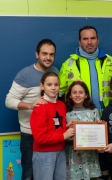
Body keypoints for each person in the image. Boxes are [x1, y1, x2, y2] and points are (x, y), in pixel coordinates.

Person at [59, 26, 112, 179]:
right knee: (81, 164)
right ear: (79, 41)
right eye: (85, 39)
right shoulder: (69, 64)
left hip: (107, 120)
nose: (89, 42)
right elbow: (58, 93)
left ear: (97, 40)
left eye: (92, 38)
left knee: (106, 163)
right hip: (78, 123)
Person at [5, 39, 59, 180]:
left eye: (51, 54)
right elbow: (9, 101)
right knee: (29, 174)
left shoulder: (55, 72)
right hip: (30, 135)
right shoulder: (24, 74)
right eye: (44, 54)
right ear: (37, 54)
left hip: (50, 134)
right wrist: (30, 105)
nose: (48, 58)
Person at [30, 72, 75, 180]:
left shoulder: (61, 105)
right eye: (49, 85)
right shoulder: (40, 106)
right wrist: (63, 136)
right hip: (44, 154)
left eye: (56, 85)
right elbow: (40, 138)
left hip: (60, 151)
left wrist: (67, 126)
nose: (53, 88)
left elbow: (55, 126)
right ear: (42, 86)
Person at [65, 81, 102, 180]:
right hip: (73, 154)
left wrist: (100, 129)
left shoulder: (94, 112)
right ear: (69, 95)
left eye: (81, 92)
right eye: (74, 92)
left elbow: (99, 135)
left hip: (90, 155)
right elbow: (62, 134)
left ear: (86, 95)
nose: (77, 95)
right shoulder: (66, 113)